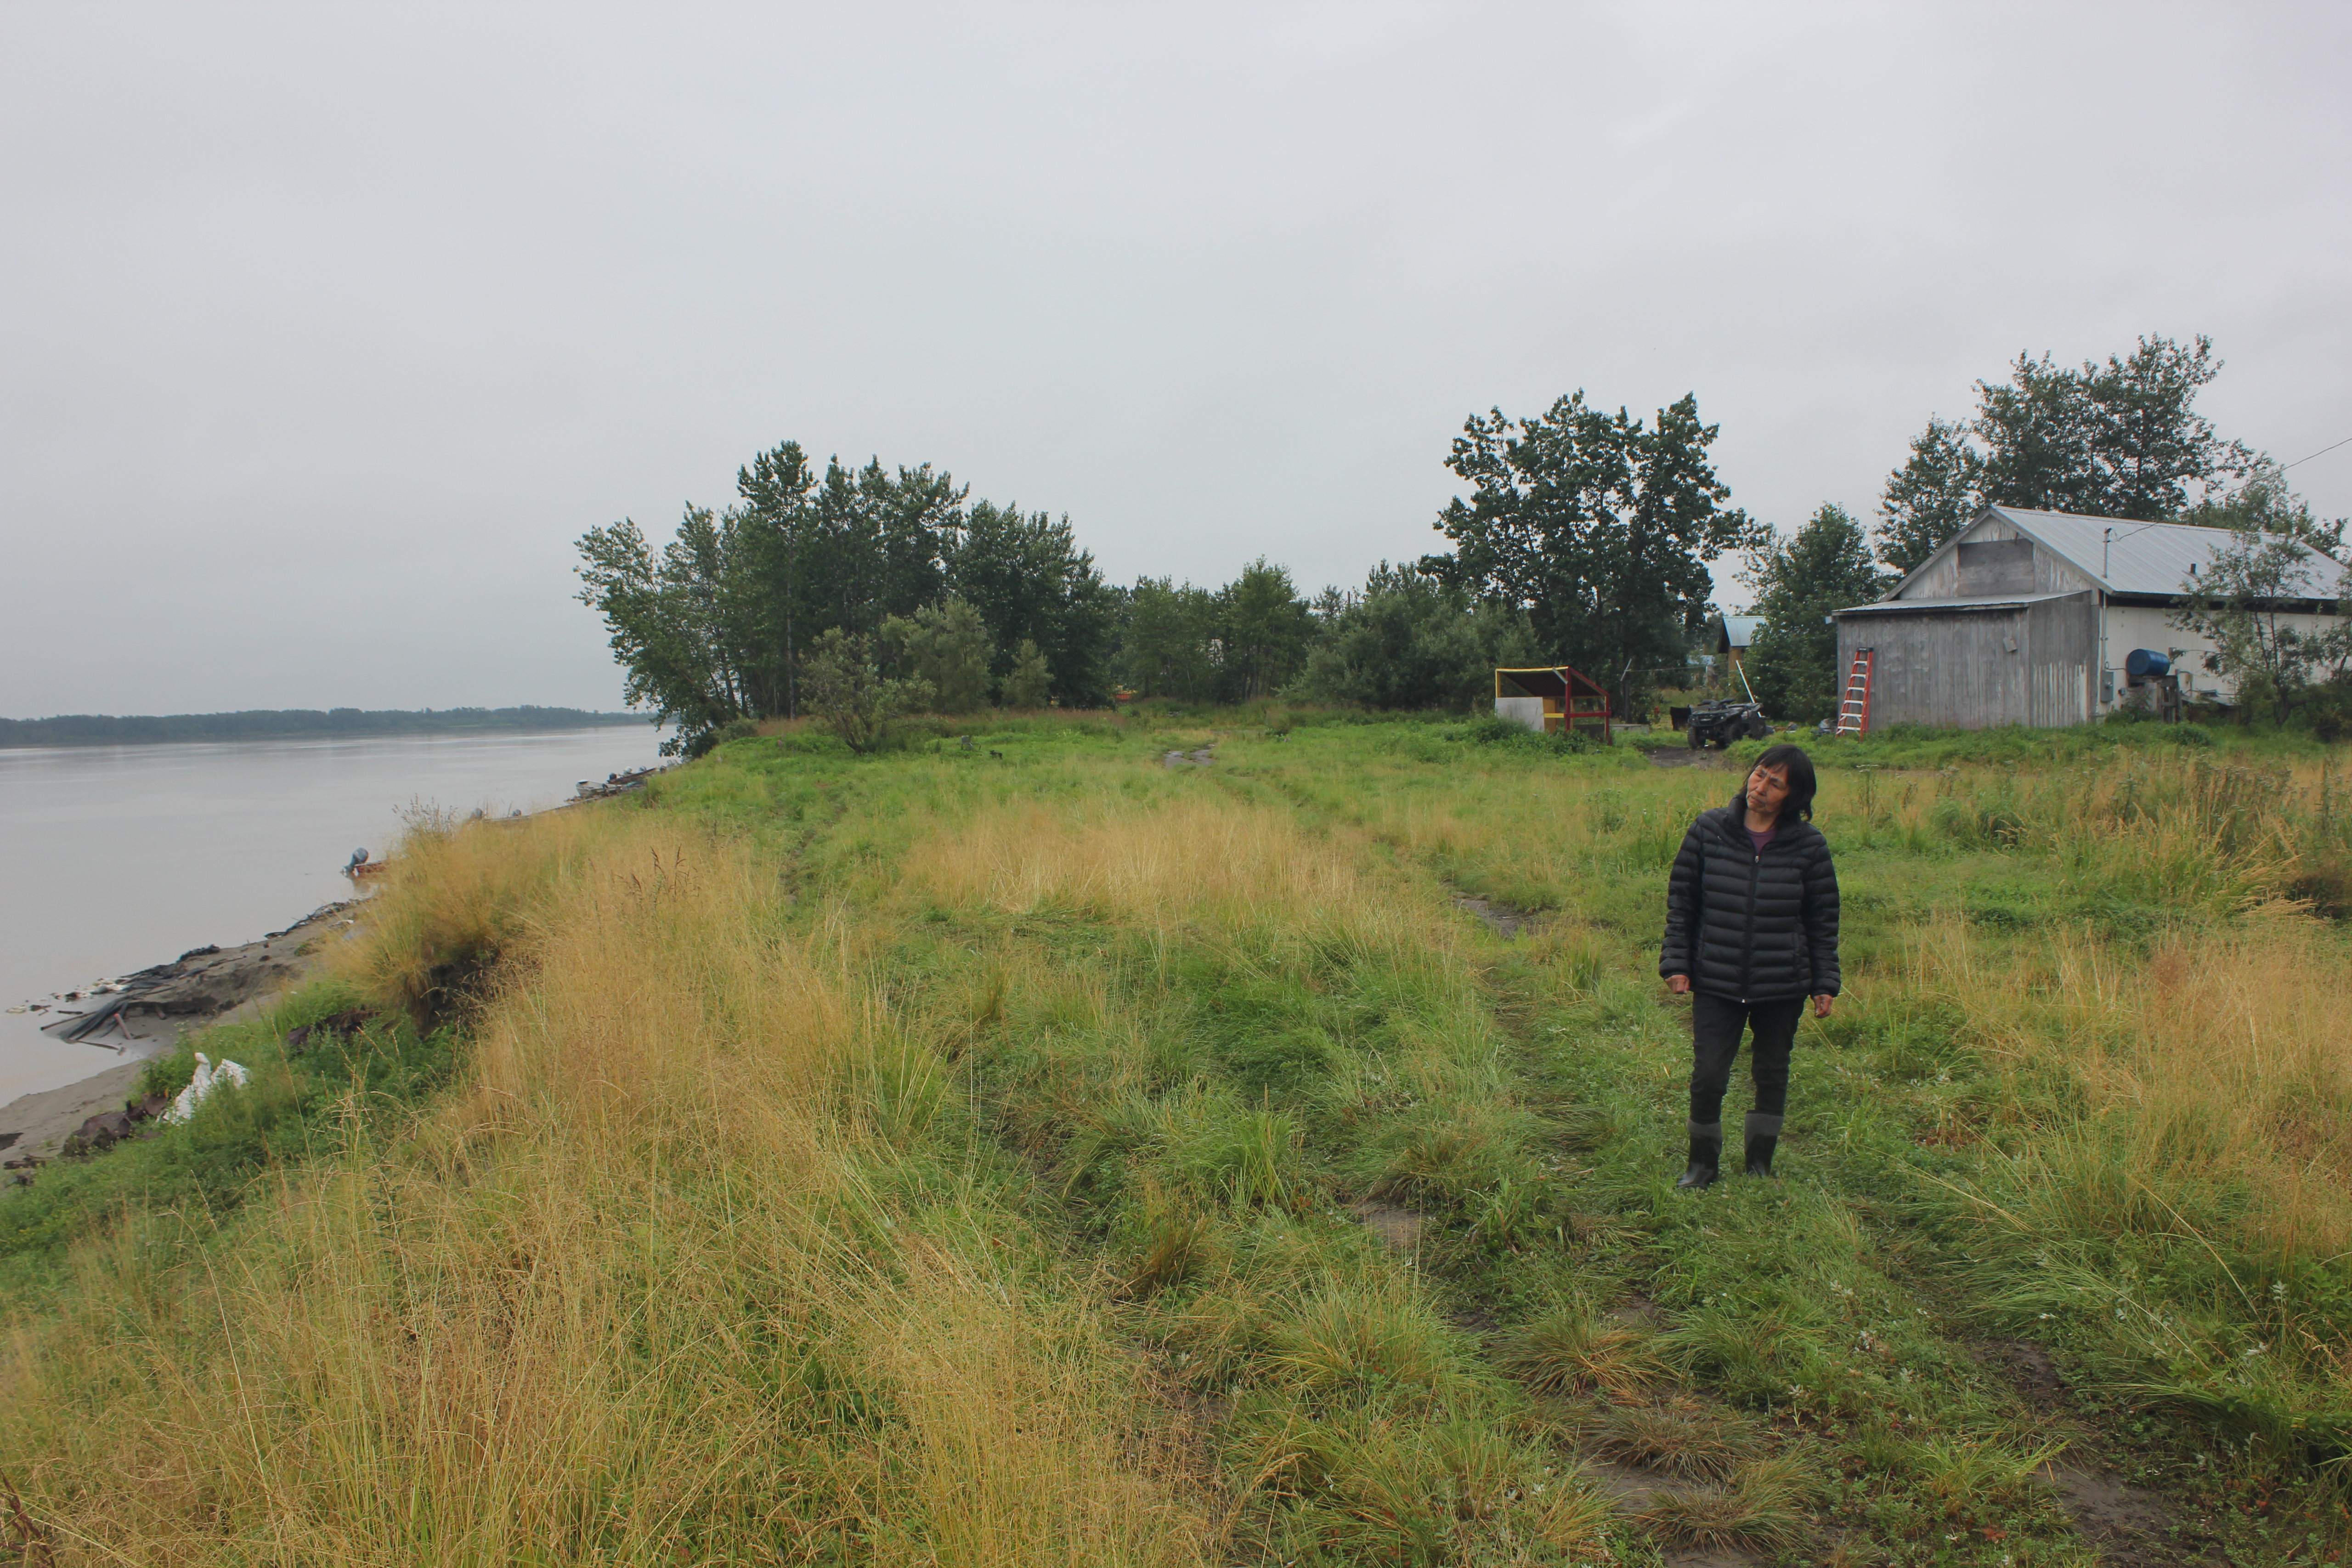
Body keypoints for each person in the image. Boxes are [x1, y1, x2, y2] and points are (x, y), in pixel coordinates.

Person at [1657, 744, 1840, 1189]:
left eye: (1774, 783)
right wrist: (1676, 962)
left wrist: (1824, 982)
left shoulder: (1808, 845)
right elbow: (1682, 903)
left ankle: (1759, 1162)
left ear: (1792, 796)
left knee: (1771, 1070)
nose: (1758, 787)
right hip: (1716, 978)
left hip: (1781, 982)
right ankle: (1701, 1165)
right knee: (1707, 1074)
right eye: (1758, 774)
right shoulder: (1707, 830)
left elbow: (1822, 918)